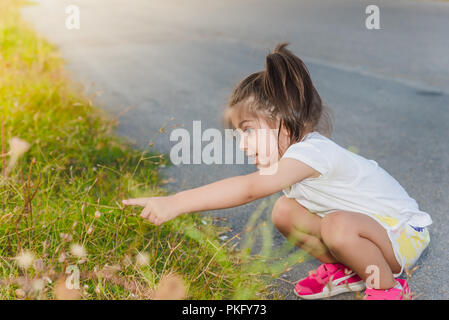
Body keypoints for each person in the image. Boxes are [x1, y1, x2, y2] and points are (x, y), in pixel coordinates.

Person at [122, 42, 432, 300]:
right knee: (284, 211)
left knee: (336, 225)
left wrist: (177, 201)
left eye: (248, 131)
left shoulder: (311, 152)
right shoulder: (291, 159)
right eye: (237, 135)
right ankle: (347, 270)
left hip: (401, 235)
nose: (243, 145)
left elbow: (249, 188)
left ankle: (388, 286)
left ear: (284, 119)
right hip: (368, 231)